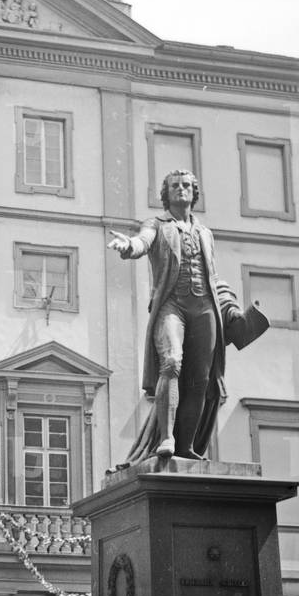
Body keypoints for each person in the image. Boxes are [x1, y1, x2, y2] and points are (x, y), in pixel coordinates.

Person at [108, 170, 267, 463]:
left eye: (186, 186)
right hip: (173, 305)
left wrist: (231, 311)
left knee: (200, 380)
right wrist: (129, 246)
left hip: (204, 306)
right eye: (174, 186)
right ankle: (167, 437)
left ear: (194, 193)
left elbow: (212, 276)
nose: (180, 189)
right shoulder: (157, 225)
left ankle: (186, 445)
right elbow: (143, 241)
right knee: (172, 361)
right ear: (165, 194)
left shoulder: (205, 233)